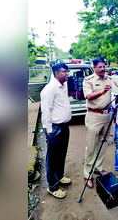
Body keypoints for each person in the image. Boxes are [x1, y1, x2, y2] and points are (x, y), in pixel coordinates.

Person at [40, 63, 72, 199]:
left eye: (67, 71)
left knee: (61, 154)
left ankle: (59, 176)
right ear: (56, 73)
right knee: (52, 158)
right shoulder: (50, 88)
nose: (67, 74)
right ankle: (52, 186)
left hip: (64, 126)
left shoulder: (62, 86)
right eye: (64, 71)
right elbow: (46, 110)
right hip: (55, 128)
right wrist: (48, 130)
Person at [82, 57, 112, 189]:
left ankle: (98, 167)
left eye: (104, 66)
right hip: (94, 116)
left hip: (107, 116)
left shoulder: (110, 79)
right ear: (94, 67)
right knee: (91, 146)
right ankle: (87, 174)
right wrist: (102, 91)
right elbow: (88, 96)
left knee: (103, 144)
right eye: (100, 66)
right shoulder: (88, 80)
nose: (103, 69)